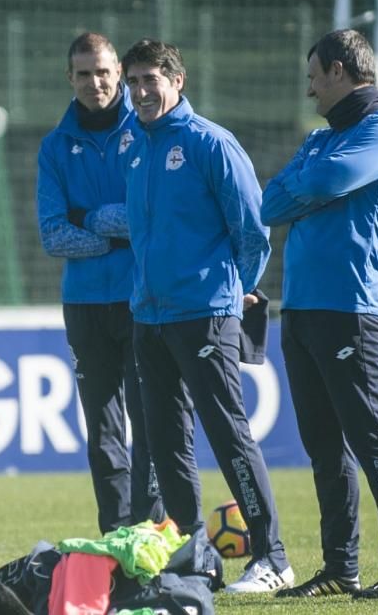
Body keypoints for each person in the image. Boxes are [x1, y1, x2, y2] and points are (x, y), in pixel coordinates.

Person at [120, 38, 293, 594]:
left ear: (177, 81)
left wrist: (235, 291)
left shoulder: (210, 143)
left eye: (152, 80)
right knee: (165, 439)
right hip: (149, 318)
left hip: (205, 314)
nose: (143, 92)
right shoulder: (136, 147)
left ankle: (272, 556)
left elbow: (253, 228)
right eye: (135, 82)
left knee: (227, 434)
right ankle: (192, 554)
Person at [260, 29, 378, 600]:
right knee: (323, 447)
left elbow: (321, 182)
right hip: (301, 309)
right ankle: (340, 567)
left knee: (371, 438)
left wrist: (308, 186)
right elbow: (269, 201)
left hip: (351, 308)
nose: (309, 91)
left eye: (313, 78)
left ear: (337, 71)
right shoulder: (318, 138)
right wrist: (310, 187)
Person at [36, 32, 164, 536]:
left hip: (144, 299)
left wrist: (86, 218)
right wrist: (118, 235)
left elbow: (148, 217)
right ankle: (116, 538)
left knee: (151, 422)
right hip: (85, 304)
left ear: (119, 72)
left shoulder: (150, 129)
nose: (96, 82)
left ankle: (151, 537)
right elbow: (52, 235)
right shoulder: (54, 147)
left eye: (104, 71)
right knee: (103, 431)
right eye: (84, 73)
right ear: (70, 78)